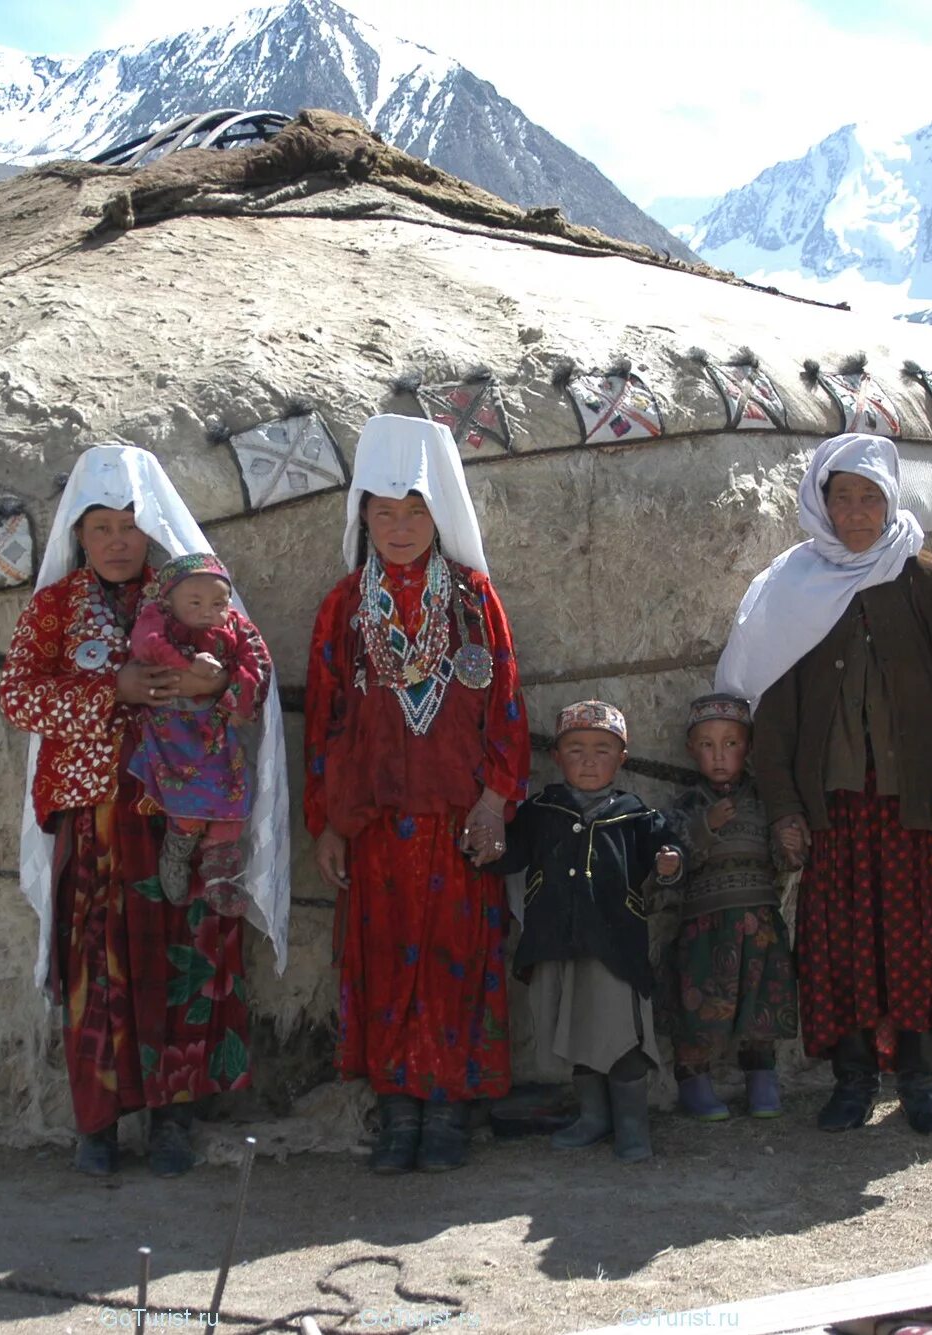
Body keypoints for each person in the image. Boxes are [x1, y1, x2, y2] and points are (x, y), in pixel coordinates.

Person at [2, 445, 290, 1178]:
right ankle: (97, 1124)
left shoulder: (194, 594)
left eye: (130, 524)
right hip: (97, 816)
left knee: (184, 953)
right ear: (81, 537)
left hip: (185, 814)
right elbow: (21, 697)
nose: (119, 540)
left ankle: (175, 1118)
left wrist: (220, 680)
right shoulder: (55, 608)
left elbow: (253, 677)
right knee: (96, 968)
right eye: (102, 528)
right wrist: (111, 691)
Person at [716, 433, 932, 1137]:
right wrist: (786, 808)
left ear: (891, 498)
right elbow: (774, 716)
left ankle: (920, 1078)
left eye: (870, 495)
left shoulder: (923, 577)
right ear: (820, 499)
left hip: (918, 807)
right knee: (839, 948)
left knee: (918, 944)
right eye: (841, 495)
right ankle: (851, 1079)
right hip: (835, 810)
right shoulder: (794, 587)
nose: (855, 511)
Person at [304, 414, 529, 1175]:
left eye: (416, 511)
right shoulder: (343, 607)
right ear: (362, 514)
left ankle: (449, 1109)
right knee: (387, 966)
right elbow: (326, 724)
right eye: (384, 511)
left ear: (442, 513)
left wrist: (498, 800)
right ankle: (399, 1108)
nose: (399, 528)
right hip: (375, 825)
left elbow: (505, 704)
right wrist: (326, 824)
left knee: (454, 961)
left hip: (458, 821)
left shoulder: (472, 598)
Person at [479, 701, 681, 1163]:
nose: (589, 760)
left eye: (602, 750)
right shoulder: (540, 811)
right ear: (557, 756)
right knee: (573, 1027)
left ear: (621, 758)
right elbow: (510, 856)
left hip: (613, 945)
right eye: (576, 750)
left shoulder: (634, 816)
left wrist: (670, 861)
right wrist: (484, 844)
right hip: (556, 940)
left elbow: (666, 854)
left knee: (621, 1034)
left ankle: (633, 1124)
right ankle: (594, 1117)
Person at [662, 692, 796, 1122]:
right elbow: (673, 859)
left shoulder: (766, 802)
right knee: (699, 1003)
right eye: (706, 745)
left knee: (763, 1003)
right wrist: (707, 827)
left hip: (760, 923)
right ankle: (694, 1084)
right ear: (690, 750)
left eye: (731, 744)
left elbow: (782, 860)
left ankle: (762, 1080)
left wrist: (791, 847)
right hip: (706, 926)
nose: (719, 756)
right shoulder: (686, 805)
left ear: (749, 747)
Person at [126, 552, 274, 914]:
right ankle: (177, 851)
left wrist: (238, 700)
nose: (210, 611)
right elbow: (147, 645)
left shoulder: (235, 628)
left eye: (219, 603)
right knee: (188, 801)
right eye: (195, 602)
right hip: (175, 735)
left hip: (218, 731)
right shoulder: (157, 622)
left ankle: (220, 870)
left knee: (234, 799)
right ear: (169, 600)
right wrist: (188, 664)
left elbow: (257, 661)